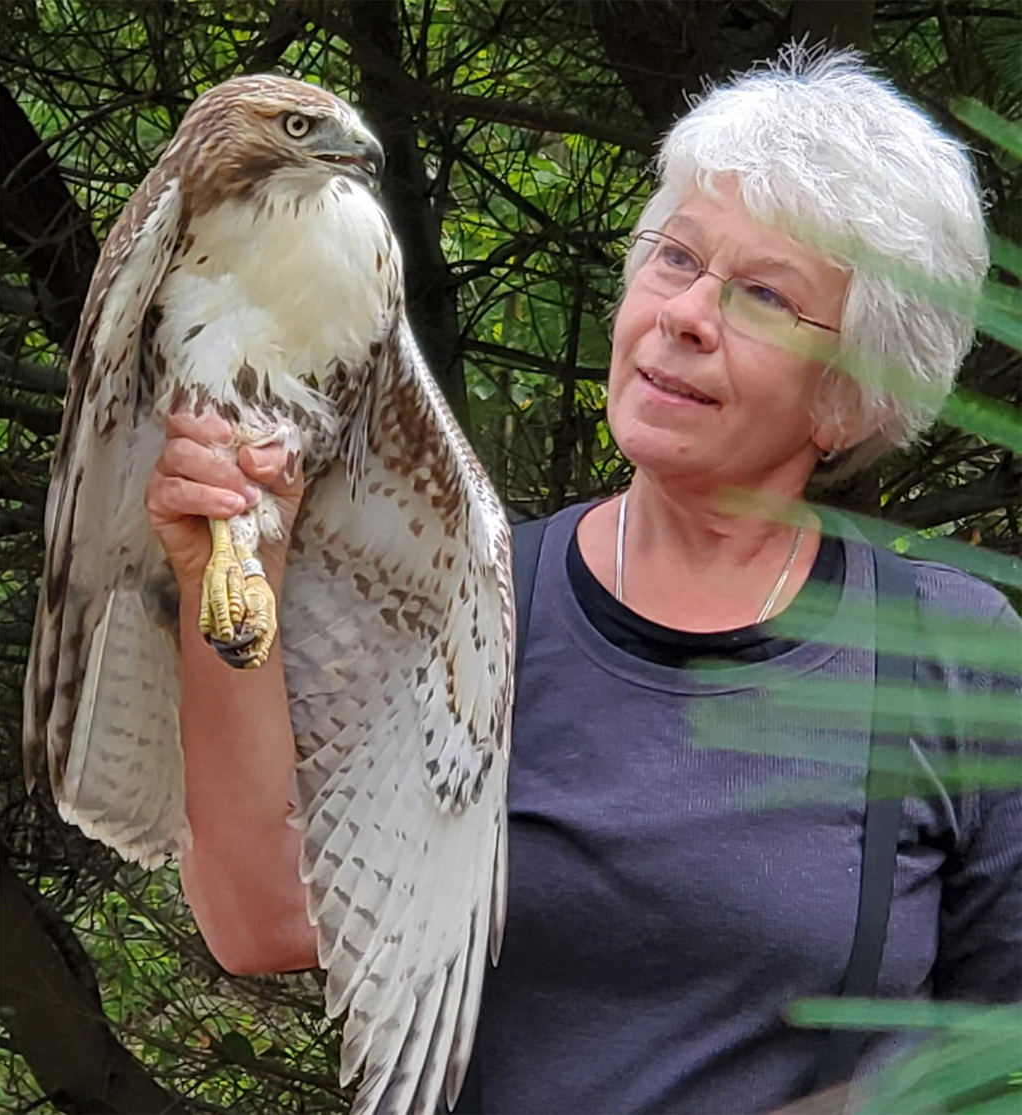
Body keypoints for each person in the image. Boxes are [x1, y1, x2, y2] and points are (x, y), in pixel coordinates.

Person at [146, 47, 1020, 1115]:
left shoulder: (954, 661)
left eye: (760, 296)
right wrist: (225, 574)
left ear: (852, 399)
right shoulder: (472, 601)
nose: (686, 313)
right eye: (674, 257)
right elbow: (261, 919)